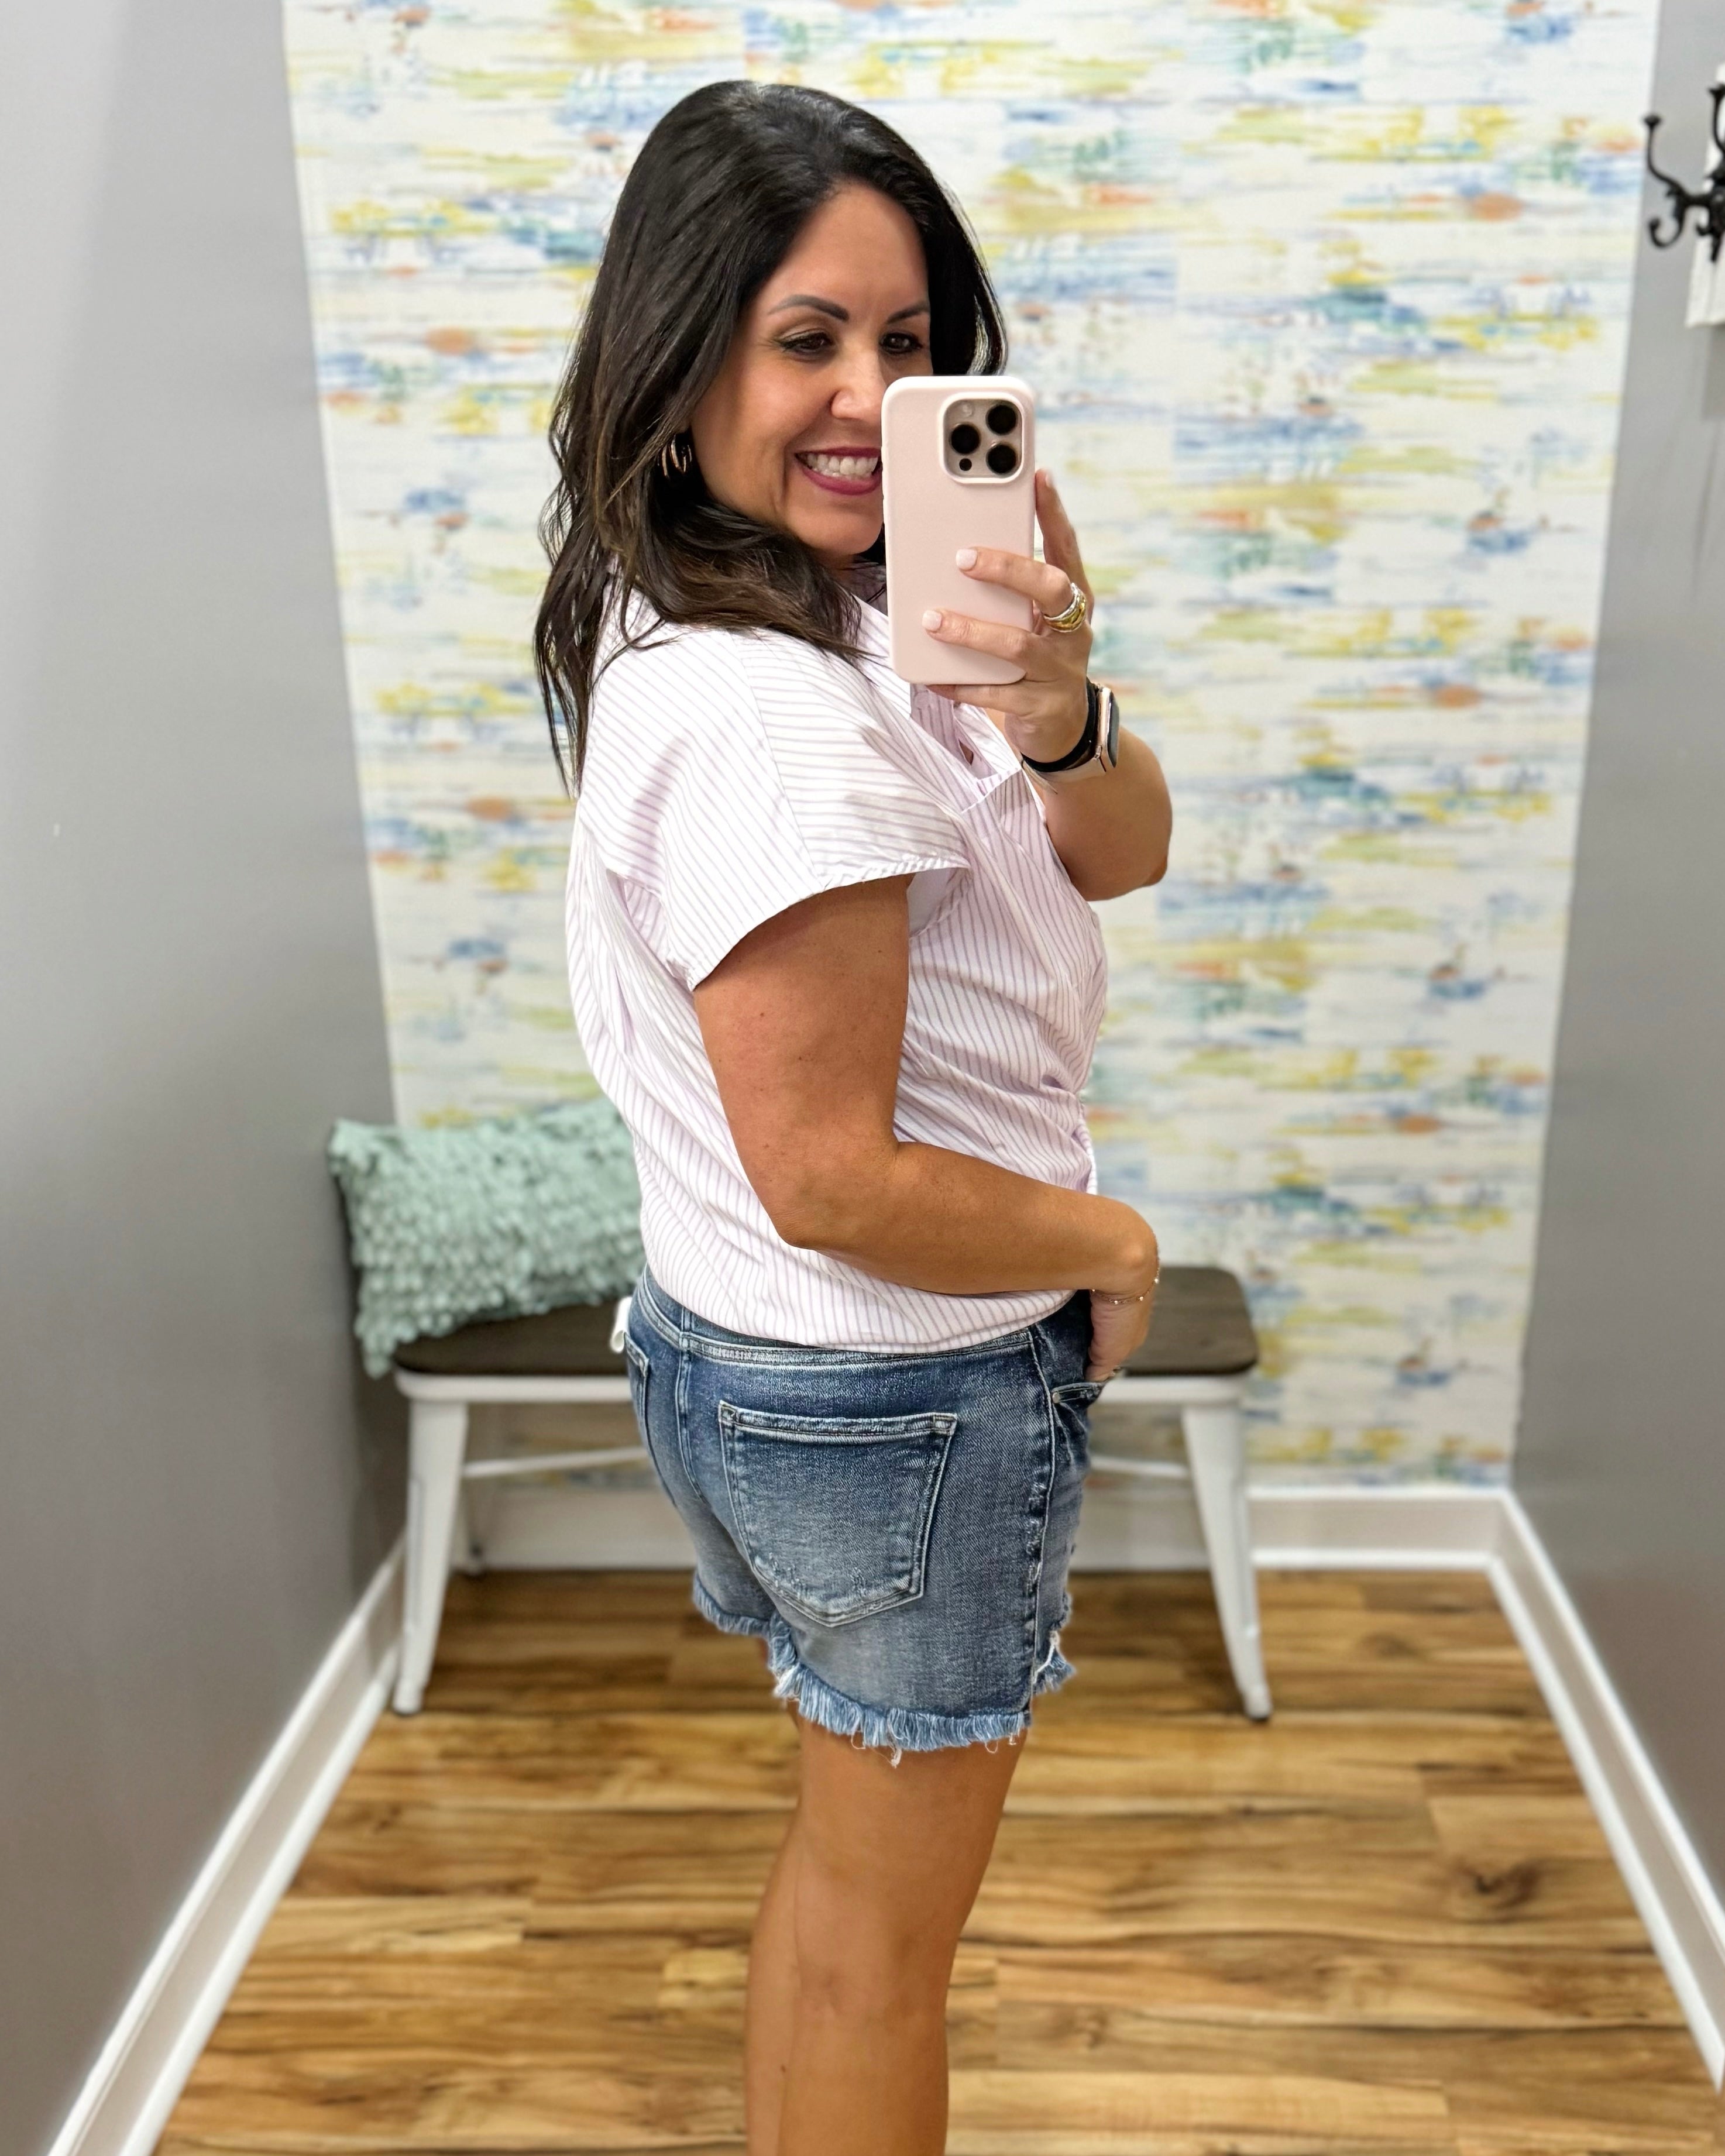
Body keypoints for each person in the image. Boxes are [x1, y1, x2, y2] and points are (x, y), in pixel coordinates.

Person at [537, 78, 1171, 2156]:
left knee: (841, 1892)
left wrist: (1055, 705)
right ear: (680, 351)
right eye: (803, 337)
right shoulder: (767, 715)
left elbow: (1122, 852)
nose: (866, 396)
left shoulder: (811, 603)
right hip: (894, 1389)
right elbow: (833, 1181)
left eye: (905, 343)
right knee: (885, 1956)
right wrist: (1110, 1244)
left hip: (774, 1370)